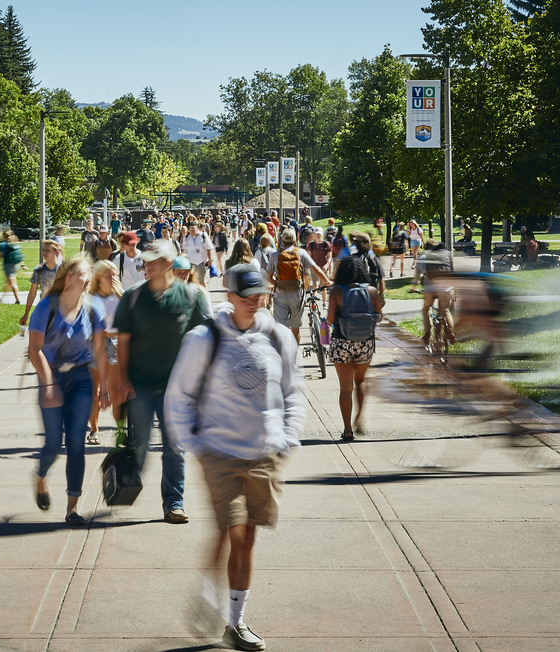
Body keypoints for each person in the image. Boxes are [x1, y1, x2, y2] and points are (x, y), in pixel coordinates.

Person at [165, 264, 305, 652]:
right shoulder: (203, 338)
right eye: (245, 295)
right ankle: (225, 610)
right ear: (229, 296)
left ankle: (233, 620)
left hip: (264, 451)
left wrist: (288, 436)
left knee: (244, 540)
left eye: (258, 295)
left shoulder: (277, 336)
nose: (253, 302)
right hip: (220, 451)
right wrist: (193, 444)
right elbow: (179, 396)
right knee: (236, 529)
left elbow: (293, 389)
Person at [114, 239, 212, 523]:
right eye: (146, 261)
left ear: (169, 264)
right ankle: (124, 487)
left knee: (174, 448)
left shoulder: (191, 297)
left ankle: (174, 503)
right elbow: (123, 342)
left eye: (154, 261)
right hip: (140, 385)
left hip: (177, 390)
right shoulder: (132, 296)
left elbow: (204, 341)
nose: (147, 265)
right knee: (139, 446)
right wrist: (122, 381)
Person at [27, 256, 108, 526]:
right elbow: (34, 349)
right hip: (51, 376)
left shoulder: (94, 307)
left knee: (76, 443)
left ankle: (72, 507)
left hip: (82, 377)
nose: (89, 280)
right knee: (53, 443)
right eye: (85, 274)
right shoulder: (47, 307)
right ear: (70, 276)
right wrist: (48, 383)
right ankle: (40, 476)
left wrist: (104, 387)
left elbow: (99, 350)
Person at [327, 256, 383, 441]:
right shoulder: (372, 291)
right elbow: (379, 317)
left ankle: (347, 430)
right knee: (360, 380)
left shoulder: (336, 291)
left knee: (345, 387)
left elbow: (330, 319)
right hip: (365, 342)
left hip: (342, 342)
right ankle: (359, 417)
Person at [265, 229, 330, 343]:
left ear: (282, 240)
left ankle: (284, 357)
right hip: (297, 294)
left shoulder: (275, 255)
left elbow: (268, 277)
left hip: (280, 294)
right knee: (295, 329)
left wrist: (278, 284)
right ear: (295, 240)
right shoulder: (301, 253)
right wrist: (327, 281)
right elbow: (317, 270)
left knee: (281, 329)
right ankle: (294, 358)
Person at [87, 259, 123, 445]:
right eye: (108, 275)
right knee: (96, 392)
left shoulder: (121, 297)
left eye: (115, 275)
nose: (112, 278)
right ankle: (94, 430)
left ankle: (120, 430)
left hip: (117, 344)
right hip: (97, 345)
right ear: (99, 277)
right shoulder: (91, 298)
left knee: (117, 392)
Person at [19, 240, 62, 333]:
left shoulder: (63, 270)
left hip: (61, 311)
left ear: (56, 252)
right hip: (45, 309)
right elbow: (32, 292)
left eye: (48, 250)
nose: (44, 253)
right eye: (44, 250)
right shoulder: (39, 270)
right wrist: (26, 314)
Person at [420, 240, 456, 348]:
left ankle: (427, 332)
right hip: (446, 288)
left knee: (427, 307)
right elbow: (452, 270)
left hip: (430, 289)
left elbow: (419, 273)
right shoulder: (447, 254)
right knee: (445, 310)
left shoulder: (424, 256)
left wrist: (414, 286)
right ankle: (450, 332)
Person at [0, 230, 24, 304]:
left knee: (12, 283)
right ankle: (2, 298)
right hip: (15, 265)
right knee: (8, 282)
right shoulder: (14, 243)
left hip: (8, 265)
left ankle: (17, 300)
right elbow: (19, 255)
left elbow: (0, 255)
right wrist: (22, 265)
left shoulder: (3, 244)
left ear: (3, 236)